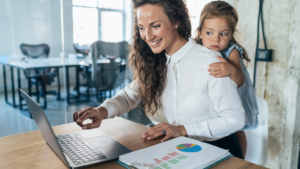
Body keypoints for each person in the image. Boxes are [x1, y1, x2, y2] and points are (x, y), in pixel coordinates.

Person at [73, 0, 245, 159]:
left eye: (155, 26)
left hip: (221, 152)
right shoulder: (157, 62)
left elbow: (235, 119)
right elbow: (129, 95)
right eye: (141, 27)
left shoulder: (210, 61)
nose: (147, 36)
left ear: (176, 20)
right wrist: (101, 111)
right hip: (185, 149)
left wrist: (182, 129)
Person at [194, 1, 259, 158]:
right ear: (200, 32)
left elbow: (240, 81)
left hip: (235, 98)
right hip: (212, 100)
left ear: (231, 34)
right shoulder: (196, 49)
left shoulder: (231, 52)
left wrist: (231, 70)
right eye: (209, 33)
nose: (216, 39)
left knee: (237, 131)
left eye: (223, 34)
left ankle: (241, 160)